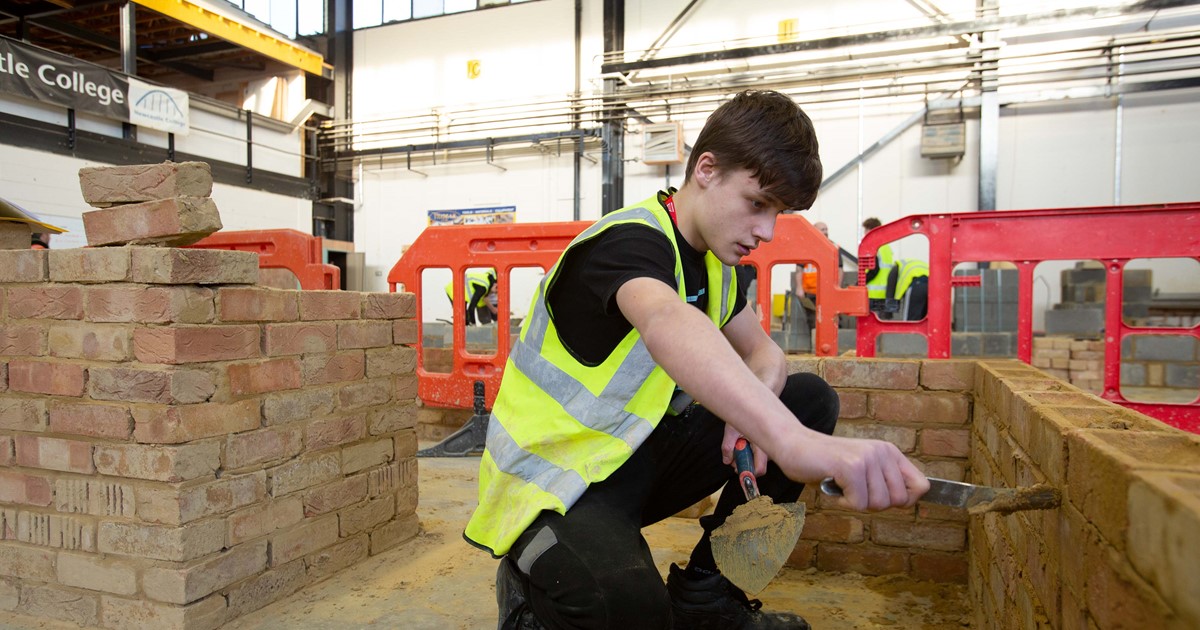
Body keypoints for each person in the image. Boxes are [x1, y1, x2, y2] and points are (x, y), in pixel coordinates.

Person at [464, 90, 929, 630]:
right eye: (758, 203)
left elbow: (764, 352)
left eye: (779, 213)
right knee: (629, 608)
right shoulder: (625, 244)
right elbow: (667, 319)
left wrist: (751, 409)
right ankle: (532, 595)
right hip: (552, 485)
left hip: (630, 461)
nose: (767, 231)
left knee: (807, 399)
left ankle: (709, 599)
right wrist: (788, 440)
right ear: (706, 169)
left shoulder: (714, 266)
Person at [861, 217, 895, 316]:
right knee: (883, 323)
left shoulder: (873, 246)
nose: (865, 233)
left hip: (874, 293)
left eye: (866, 230)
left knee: (871, 322)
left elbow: (874, 269)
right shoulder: (886, 246)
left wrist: (860, 282)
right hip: (887, 292)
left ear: (871, 230)